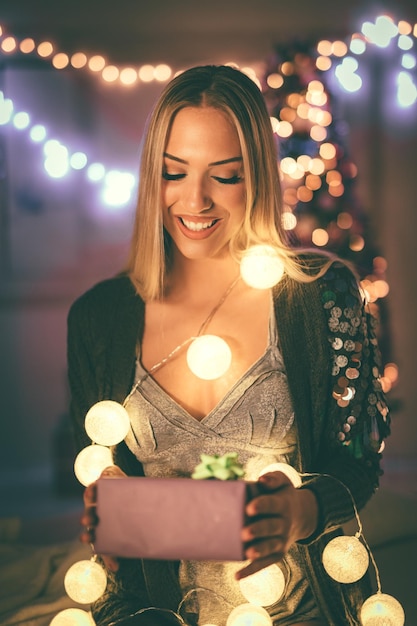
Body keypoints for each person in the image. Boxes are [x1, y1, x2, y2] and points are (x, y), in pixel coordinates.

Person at [67, 65, 390, 626]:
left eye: (226, 176)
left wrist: (303, 510)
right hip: (156, 613)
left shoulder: (322, 297)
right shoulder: (99, 318)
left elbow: (358, 465)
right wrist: (108, 508)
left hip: (300, 609)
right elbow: (105, 485)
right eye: (174, 172)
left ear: (258, 177)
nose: (196, 201)